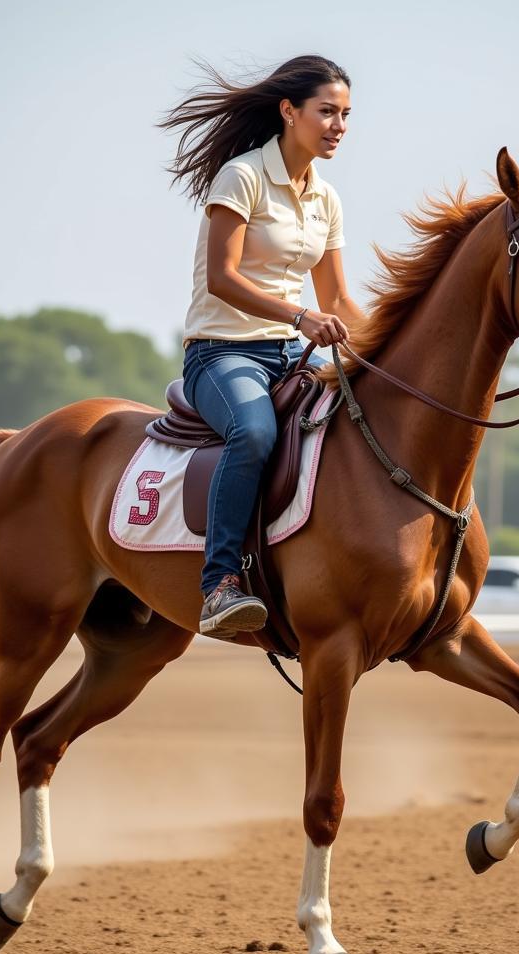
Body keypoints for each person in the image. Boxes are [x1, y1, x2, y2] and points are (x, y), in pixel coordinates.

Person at [158, 55, 364, 639]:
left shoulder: (327, 200)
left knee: (368, 412)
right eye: (326, 112)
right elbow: (222, 278)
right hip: (221, 354)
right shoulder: (241, 177)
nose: (337, 126)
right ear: (288, 111)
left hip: (289, 355)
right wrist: (301, 315)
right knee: (253, 434)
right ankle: (219, 584)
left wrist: (392, 352)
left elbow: (339, 300)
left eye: (346, 116)